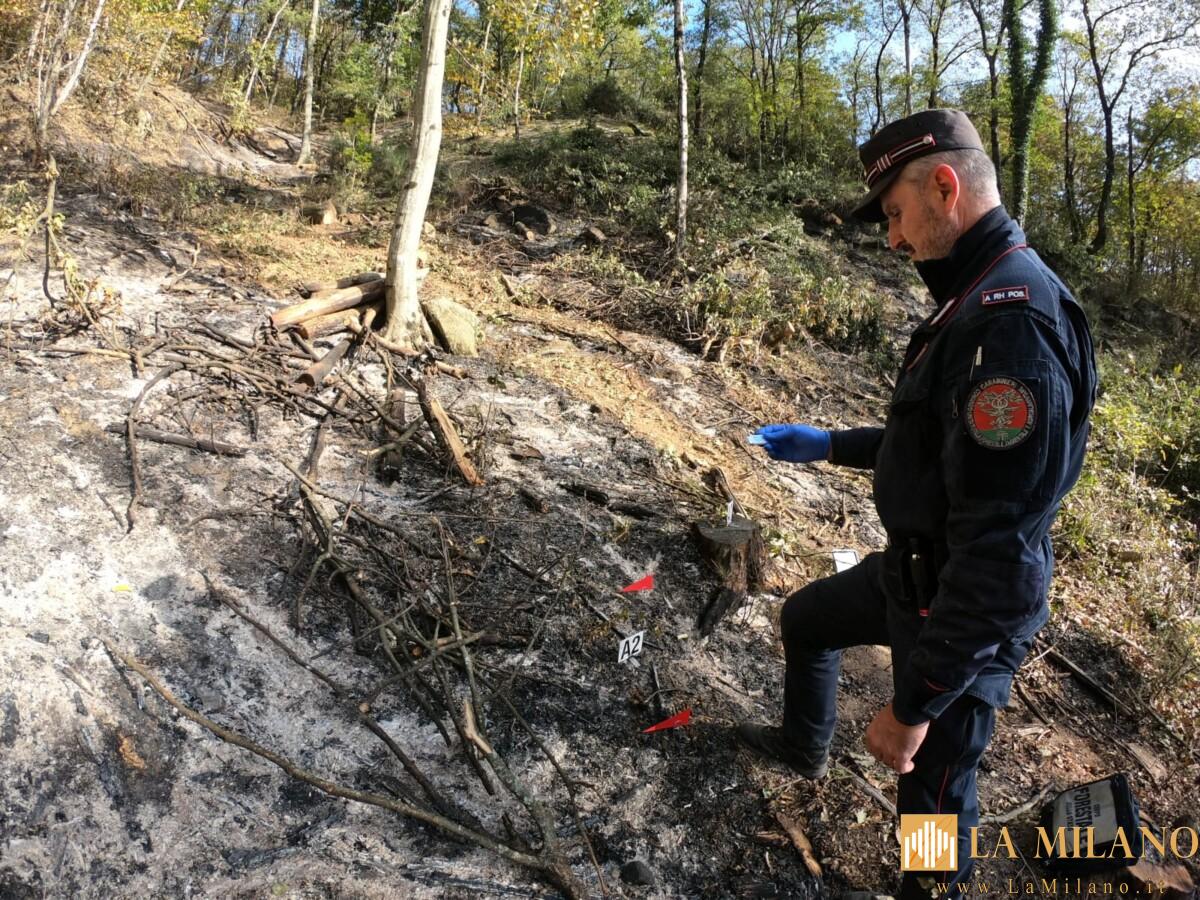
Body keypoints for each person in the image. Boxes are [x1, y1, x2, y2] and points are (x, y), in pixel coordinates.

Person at [736, 109, 1098, 899]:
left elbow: (999, 561)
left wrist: (913, 706)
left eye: (896, 215)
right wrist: (830, 444)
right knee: (807, 619)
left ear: (943, 186)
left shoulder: (1011, 328)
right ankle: (802, 748)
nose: (893, 240)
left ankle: (929, 890)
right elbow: (937, 445)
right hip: (911, 577)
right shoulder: (975, 297)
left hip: (959, 613)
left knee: (930, 799)